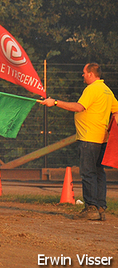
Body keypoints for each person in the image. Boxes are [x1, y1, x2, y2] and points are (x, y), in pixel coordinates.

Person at [39, 63, 118, 221]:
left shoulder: (92, 89)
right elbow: (116, 111)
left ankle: (90, 208)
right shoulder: (107, 90)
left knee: (88, 173)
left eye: (83, 72)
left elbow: (79, 107)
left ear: (90, 74)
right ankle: (101, 207)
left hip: (89, 138)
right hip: (102, 138)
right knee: (99, 173)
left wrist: (54, 103)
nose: (82, 75)